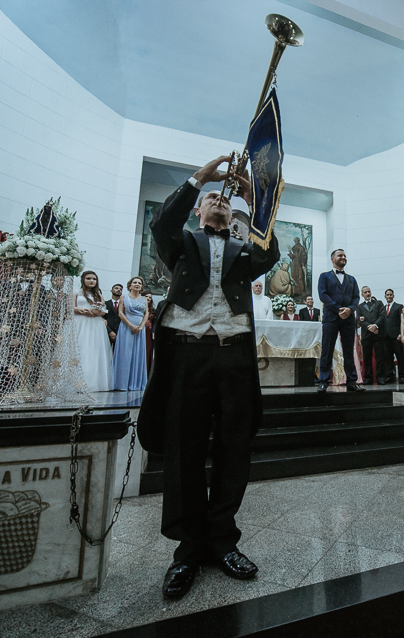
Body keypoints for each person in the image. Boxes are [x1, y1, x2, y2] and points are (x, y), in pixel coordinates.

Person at [135, 155, 279, 601]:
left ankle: (223, 541)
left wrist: (254, 199)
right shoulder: (180, 242)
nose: (220, 201)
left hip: (233, 355)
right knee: (184, 449)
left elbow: (269, 252)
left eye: (225, 199)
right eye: (212, 199)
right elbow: (163, 222)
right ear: (199, 210)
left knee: (235, 448)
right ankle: (188, 549)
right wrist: (201, 178)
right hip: (187, 354)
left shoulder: (242, 249)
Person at [317, 249, 363, 393]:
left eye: (344, 256)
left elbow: (356, 297)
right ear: (332, 259)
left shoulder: (352, 279)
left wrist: (350, 309)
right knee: (327, 350)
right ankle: (323, 381)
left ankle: (352, 381)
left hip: (348, 319)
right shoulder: (324, 276)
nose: (343, 257)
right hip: (331, 318)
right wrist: (338, 309)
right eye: (340, 255)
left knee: (349, 351)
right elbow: (323, 295)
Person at [73, 271, 112, 392]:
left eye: (94, 279)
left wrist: (94, 312)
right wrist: (82, 310)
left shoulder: (98, 294)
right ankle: (76, 382)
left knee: (94, 351)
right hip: (80, 323)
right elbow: (70, 307)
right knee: (80, 349)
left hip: (95, 324)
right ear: (83, 280)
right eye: (88, 278)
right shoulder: (76, 292)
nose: (91, 281)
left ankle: (92, 381)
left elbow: (103, 311)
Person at [111, 276, 149, 391]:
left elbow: (146, 314)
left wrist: (141, 327)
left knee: (138, 354)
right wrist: (131, 325)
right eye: (135, 282)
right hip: (126, 328)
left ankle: (135, 383)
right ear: (130, 285)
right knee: (125, 354)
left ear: (141, 286)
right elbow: (120, 313)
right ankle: (121, 383)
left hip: (140, 330)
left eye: (139, 283)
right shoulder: (124, 297)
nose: (137, 284)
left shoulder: (144, 299)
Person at [357, 286, 386, 385]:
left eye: (369, 291)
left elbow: (382, 316)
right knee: (367, 357)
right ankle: (368, 378)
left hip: (378, 334)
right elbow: (358, 320)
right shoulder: (359, 307)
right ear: (362, 294)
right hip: (366, 335)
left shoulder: (379, 303)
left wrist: (375, 325)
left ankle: (380, 378)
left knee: (379, 357)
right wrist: (369, 327)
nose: (368, 294)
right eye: (365, 292)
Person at [380, 289, 404, 383]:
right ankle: (390, 376)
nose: (389, 296)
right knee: (388, 358)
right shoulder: (382, 308)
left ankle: (402, 376)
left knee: (400, 357)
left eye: (391, 294)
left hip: (396, 336)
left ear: (393, 296)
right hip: (386, 337)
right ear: (385, 296)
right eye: (387, 295)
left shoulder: (399, 306)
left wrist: (401, 334)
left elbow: (402, 321)